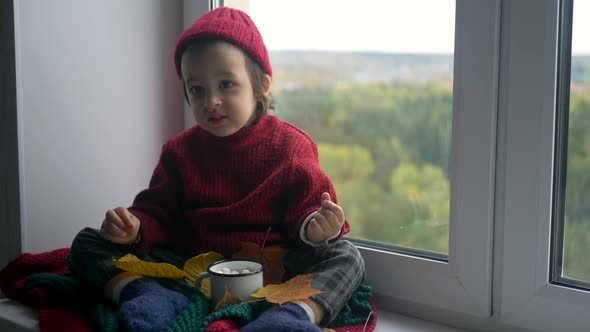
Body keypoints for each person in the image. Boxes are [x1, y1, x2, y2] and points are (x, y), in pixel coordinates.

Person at [68, 6, 365, 332]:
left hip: (270, 273)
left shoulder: (291, 148)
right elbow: (158, 211)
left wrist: (317, 226)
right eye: (197, 89)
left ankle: (291, 315)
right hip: (191, 268)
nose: (211, 101)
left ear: (262, 85)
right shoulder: (179, 152)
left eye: (226, 84)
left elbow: (306, 210)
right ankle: (146, 294)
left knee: (346, 256)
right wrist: (135, 227)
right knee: (88, 242)